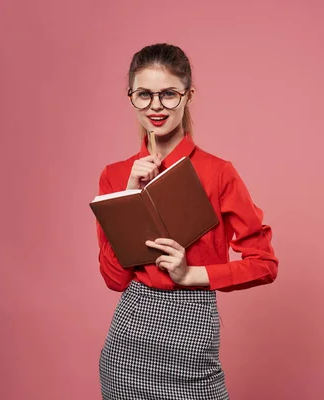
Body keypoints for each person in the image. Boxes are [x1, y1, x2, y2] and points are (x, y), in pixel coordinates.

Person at [95, 43, 278, 400]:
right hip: (128, 345)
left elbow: (265, 264)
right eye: (144, 95)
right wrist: (130, 197)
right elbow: (114, 279)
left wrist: (191, 274)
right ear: (130, 96)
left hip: (192, 342)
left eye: (168, 94)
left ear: (188, 95)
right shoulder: (115, 176)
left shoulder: (218, 173)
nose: (156, 106)